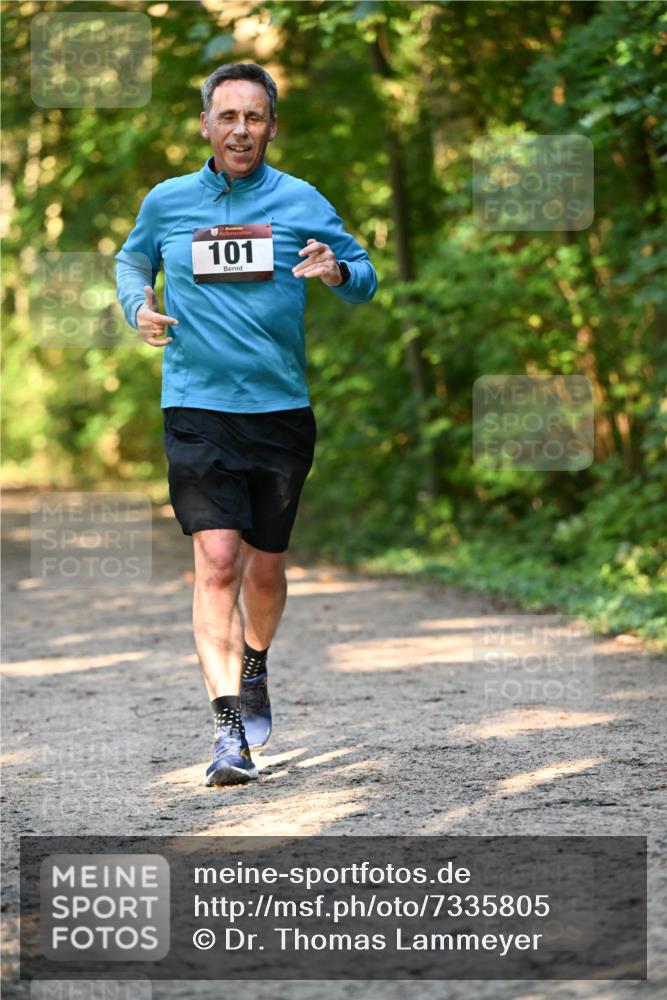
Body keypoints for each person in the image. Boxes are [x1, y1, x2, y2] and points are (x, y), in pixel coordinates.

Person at [115, 63, 377, 787]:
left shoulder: (299, 201)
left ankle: (253, 665)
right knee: (218, 563)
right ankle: (229, 730)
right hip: (196, 408)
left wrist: (334, 271)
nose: (240, 129)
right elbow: (131, 258)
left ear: (270, 126)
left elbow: (362, 273)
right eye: (227, 116)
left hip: (280, 412)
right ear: (205, 124)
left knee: (265, 568)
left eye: (254, 117)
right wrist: (136, 303)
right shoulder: (168, 202)